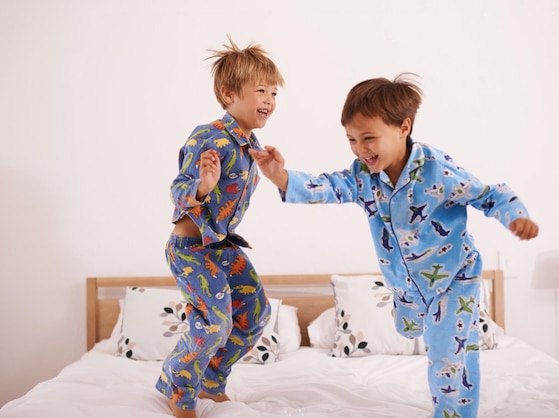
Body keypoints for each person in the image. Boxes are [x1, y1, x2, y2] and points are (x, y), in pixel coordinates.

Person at [250, 73, 539, 418]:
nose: (360, 149)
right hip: (405, 285)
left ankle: (453, 411)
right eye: (352, 140)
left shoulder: (438, 171)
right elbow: (328, 186)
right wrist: (280, 176)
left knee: (448, 354)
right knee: (410, 325)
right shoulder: (364, 177)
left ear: (404, 127)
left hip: (454, 278)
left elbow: (489, 194)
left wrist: (515, 217)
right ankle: (418, 318)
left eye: (368, 138)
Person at [156, 37, 284, 418]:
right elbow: (179, 187)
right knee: (215, 323)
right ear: (229, 93)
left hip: (223, 248)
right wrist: (202, 186)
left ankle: (212, 378)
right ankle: (178, 383)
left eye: (274, 92)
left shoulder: (250, 144)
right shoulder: (209, 135)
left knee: (256, 313)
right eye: (261, 90)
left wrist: (274, 171)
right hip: (191, 250)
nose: (270, 100)